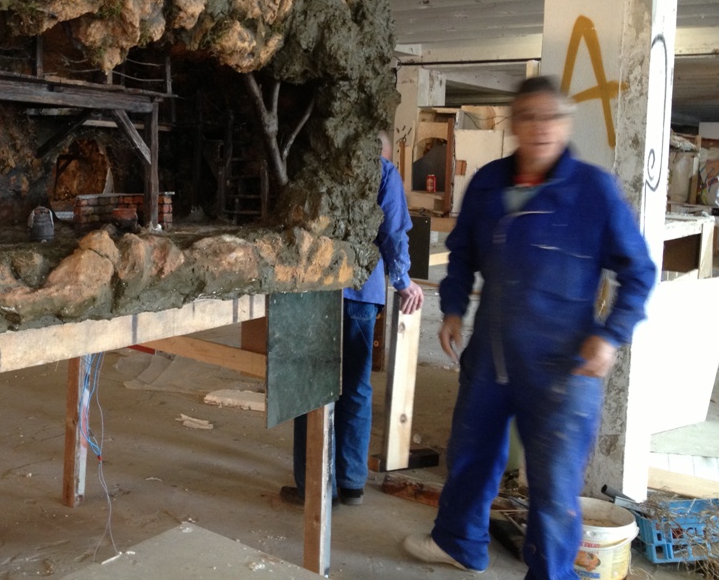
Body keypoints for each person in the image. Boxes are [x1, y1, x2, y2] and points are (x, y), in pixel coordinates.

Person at [403, 76, 656, 578]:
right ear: (514, 125)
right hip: (491, 356)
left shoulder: (592, 191)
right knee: (470, 456)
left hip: (563, 366)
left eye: (551, 118)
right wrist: (452, 309)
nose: (540, 128)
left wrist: (611, 335)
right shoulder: (489, 184)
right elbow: (463, 254)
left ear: (566, 124)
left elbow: (639, 271)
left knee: (553, 486)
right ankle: (459, 543)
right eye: (528, 117)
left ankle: (550, 574)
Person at [281, 134, 424, 507]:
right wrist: (402, 281)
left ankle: (313, 485)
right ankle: (351, 483)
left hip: (315, 291)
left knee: (311, 385)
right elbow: (394, 230)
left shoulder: (317, 169)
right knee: (356, 387)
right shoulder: (385, 172)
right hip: (362, 290)